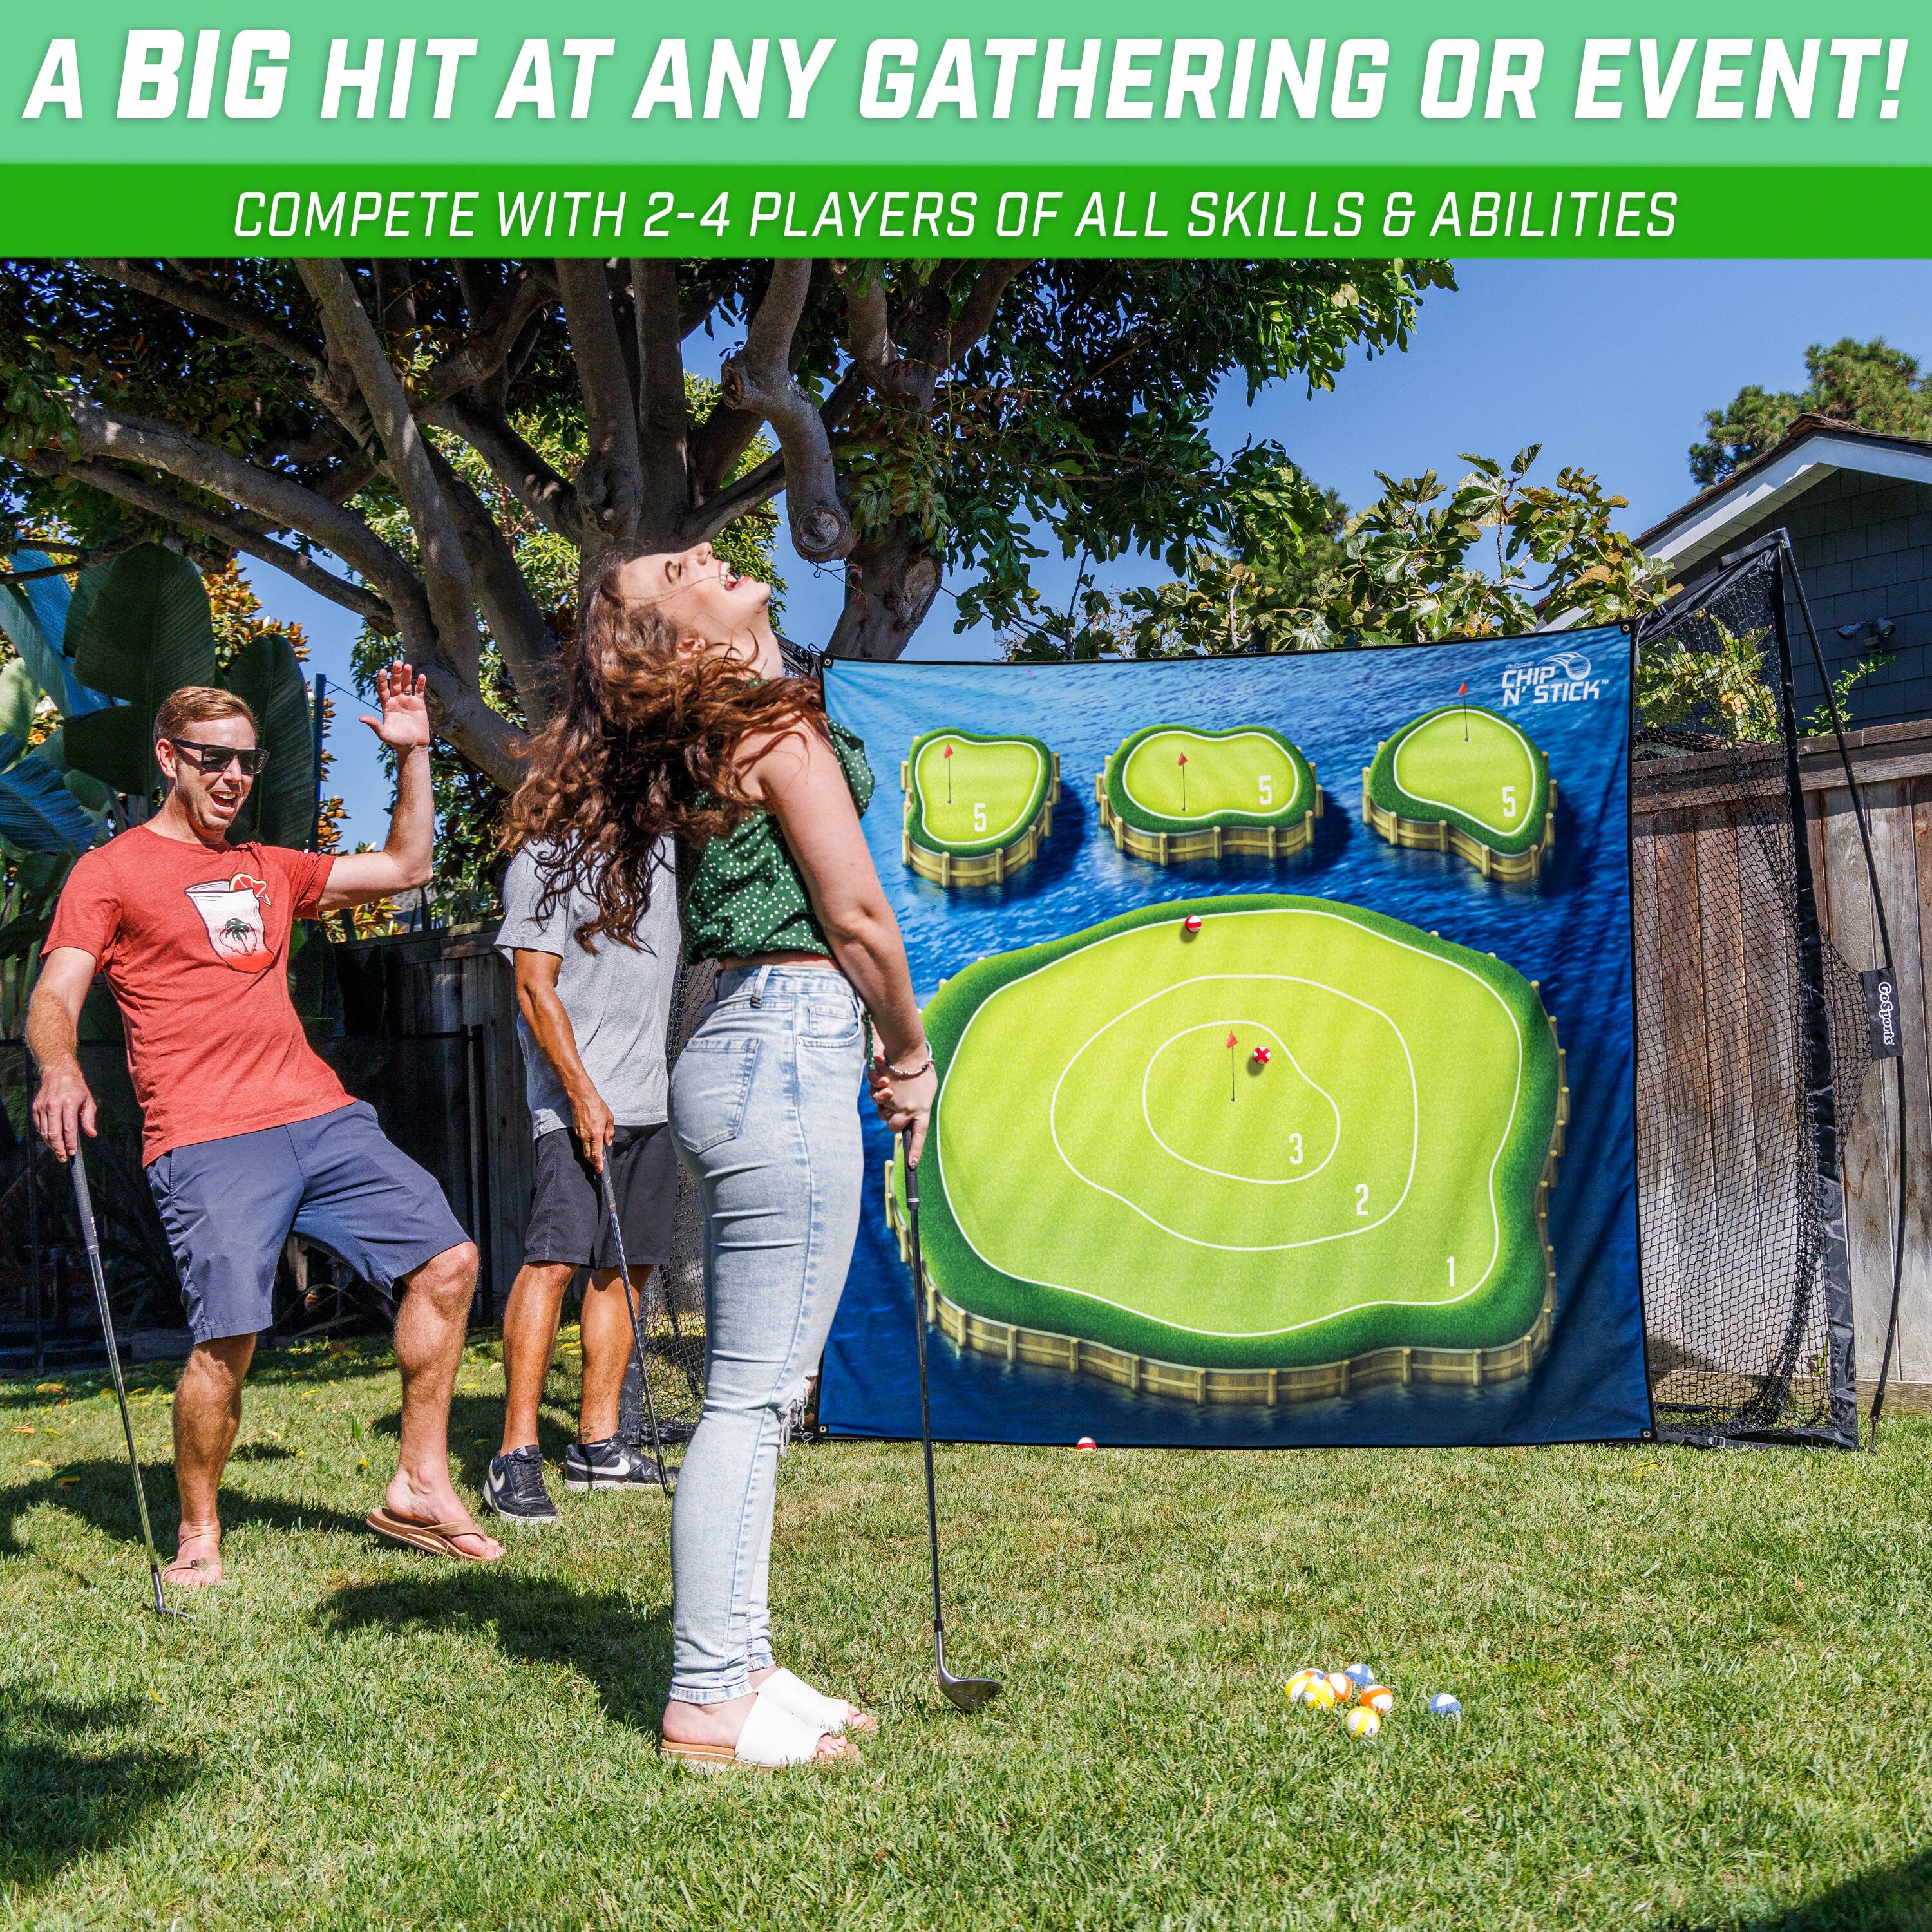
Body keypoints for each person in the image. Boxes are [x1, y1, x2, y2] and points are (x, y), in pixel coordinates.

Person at [506, 542, 934, 1770]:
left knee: (752, 1391)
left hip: (745, 1046)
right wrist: (908, 1052)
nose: (706, 550)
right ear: (682, 644)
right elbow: (855, 918)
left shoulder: (718, 733)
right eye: (675, 571)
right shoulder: (774, 726)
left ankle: (744, 1659)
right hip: (786, 1042)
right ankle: (708, 1696)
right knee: (752, 1397)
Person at [28, 669, 503, 1582]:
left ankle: (418, 1481)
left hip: (319, 1116)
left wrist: (412, 755)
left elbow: (407, 868)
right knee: (229, 1335)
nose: (235, 777)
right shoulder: (112, 870)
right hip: (206, 1135)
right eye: (214, 759)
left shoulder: (269, 870)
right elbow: (57, 991)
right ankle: (199, 1535)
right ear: (170, 758)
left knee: (449, 1260)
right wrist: (57, 1066)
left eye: (248, 761)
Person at [484, 834, 680, 1522]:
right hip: (572, 1104)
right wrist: (580, 1092)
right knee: (554, 1262)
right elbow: (534, 989)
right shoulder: (543, 859)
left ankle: (598, 1446)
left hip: (649, 1100)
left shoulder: (660, 852)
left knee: (627, 1272)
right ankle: (515, 1453)